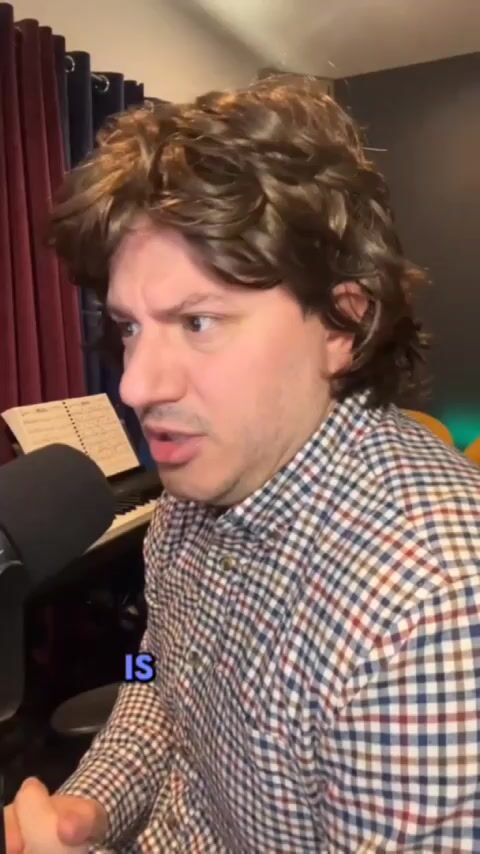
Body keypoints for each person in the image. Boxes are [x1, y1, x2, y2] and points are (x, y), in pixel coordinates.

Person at [6, 74, 480, 852]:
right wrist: (87, 804)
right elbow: (158, 677)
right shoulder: (190, 499)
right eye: (129, 327)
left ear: (342, 325)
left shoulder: (429, 618)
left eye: (198, 321)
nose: (136, 385)